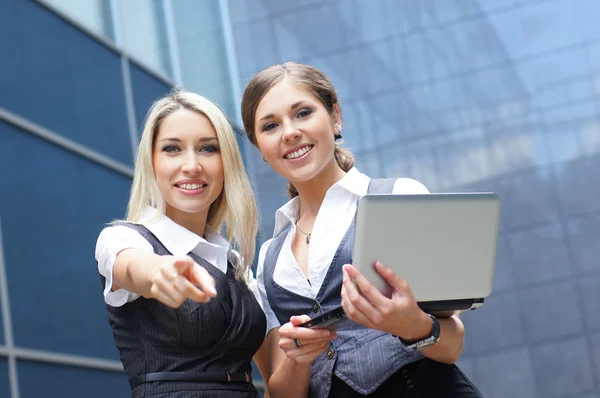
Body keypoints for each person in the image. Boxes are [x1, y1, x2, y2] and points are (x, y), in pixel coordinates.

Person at [240, 62, 482, 397]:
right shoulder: (270, 259)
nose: (289, 132)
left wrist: (410, 325)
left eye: (303, 113)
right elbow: (281, 393)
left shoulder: (400, 197)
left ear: (335, 117)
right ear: (261, 149)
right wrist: (298, 359)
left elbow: (452, 342)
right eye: (270, 126)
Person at [95, 90, 269, 397]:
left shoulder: (237, 266)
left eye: (208, 148)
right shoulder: (124, 238)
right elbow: (133, 266)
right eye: (172, 149)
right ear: (152, 162)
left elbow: (279, 380)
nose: (191, 165)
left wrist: (299, 352)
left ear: (226, 161)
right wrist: (158, 271)